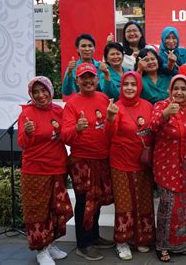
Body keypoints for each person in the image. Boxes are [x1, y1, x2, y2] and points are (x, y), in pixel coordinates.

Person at [61, 63, 115, 261]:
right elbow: (65, 137)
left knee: (98, 200)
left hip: (102, 158)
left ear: (97, 79)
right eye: (83, 78)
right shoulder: (72, 104)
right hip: (81, 161)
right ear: (77, 81)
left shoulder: (102, 98)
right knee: (84, 202)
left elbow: (110, 128)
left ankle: (94, 236)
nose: (88, 81)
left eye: (91, 77)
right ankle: (83, 244)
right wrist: (77, 128)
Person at [18, 76, 73, 265]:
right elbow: (22, 143)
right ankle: (40, 249)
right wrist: (27, 132)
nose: (41, 95)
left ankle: (50, 244)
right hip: (35, 170)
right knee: (37, 211)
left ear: (50, 91)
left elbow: (66, 136)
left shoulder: (59, 111)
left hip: (57, 168)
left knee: (55, 209)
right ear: (31, 95)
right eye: (36, 92)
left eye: (44, 91)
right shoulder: (27, 113)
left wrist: (78, 129)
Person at [150, 75, 186, 262]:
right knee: (168, 207)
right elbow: (153, 126)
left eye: (183, 89)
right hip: (167, 166)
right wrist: (165, 114)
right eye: (176, 88)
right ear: (170, 90)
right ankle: (162, 245)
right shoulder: (161, 106)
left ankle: (184, 242)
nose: (179, 92)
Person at [105, 72, 155, 261]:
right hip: (120, 164)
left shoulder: (148, 106)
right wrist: (110, 118)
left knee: (143, 202)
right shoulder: (115, 108)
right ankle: (122, 241)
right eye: (126, 84)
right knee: (124, 204)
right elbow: (108, 136)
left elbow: (153, 130)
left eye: (133, 84)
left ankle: (142, 239)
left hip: (142, 164)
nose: (129, 88)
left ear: (139, 86)